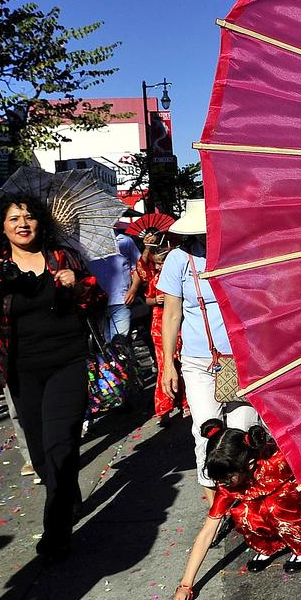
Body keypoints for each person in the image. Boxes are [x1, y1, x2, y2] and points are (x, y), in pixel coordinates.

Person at [0, 193, 105, 562]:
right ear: (2, 228)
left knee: (61, 443)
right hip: (21, 370)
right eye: (13, 219)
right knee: (40, 455)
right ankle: (66, 494)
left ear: (41, 222)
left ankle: (55, 534)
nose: (22, 223)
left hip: (67, 360)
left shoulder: (63, 258)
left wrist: (79, 285)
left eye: (29, 217)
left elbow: (98, 300)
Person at [170, 419, 301, 600]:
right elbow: (208, 531)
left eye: (227, 478)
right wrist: (186, 585)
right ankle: (270, 546)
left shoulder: (276, 460)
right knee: (242, 513)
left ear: (250, 464)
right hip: (271, 502)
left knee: (273, 506)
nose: (223, 484)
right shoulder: (227, 483)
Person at [157, 200, 242, 502]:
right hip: (199, 361)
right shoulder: (179, 260)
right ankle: (215, 505)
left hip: (242, 358)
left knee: (244, 429)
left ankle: (249, 500)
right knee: (207, 429)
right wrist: (168, 364)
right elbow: (171, 314)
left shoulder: (239, 250)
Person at [135, 228, 185, 424]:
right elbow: (145, 296)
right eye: (159, 261)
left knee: (183, 363)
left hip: (181, 321)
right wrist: (156, 299)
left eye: (164, 260)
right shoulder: (152, 275)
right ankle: (164, 407)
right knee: (166, 365)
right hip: (159, 324)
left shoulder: (177, 269)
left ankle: (186, 403)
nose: (162, 264)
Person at [89, 227, 141, 344]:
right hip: (98, 302)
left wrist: (133, 290)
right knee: (105, 347)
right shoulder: (86, 245)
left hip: (121, 301)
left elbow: (139, 268)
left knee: (119, 345)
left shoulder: (125, 241)